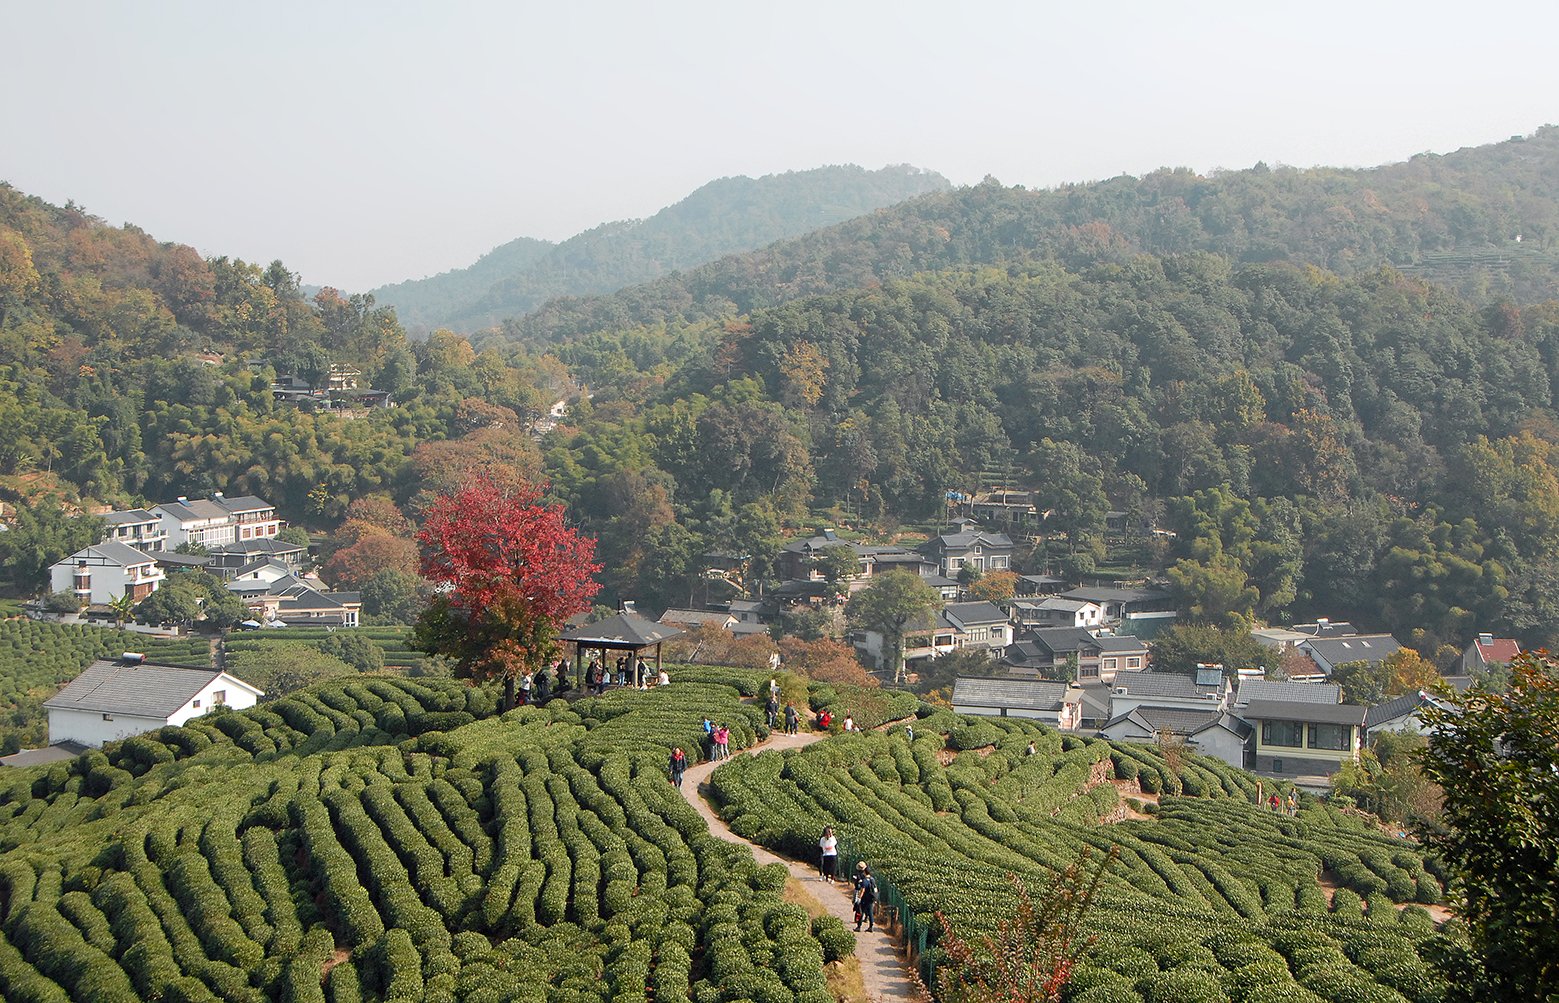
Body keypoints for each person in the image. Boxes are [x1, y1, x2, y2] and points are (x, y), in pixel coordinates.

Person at [856, 866, 878, 932]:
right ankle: (871, 926)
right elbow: (875, 889)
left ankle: (859, 926)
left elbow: (863, 890)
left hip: (865, 898)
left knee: (861, 912)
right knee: (870, 912)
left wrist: (859, 898)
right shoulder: (872, 879)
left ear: (864, 872)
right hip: (871, 898)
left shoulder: (864, 880)